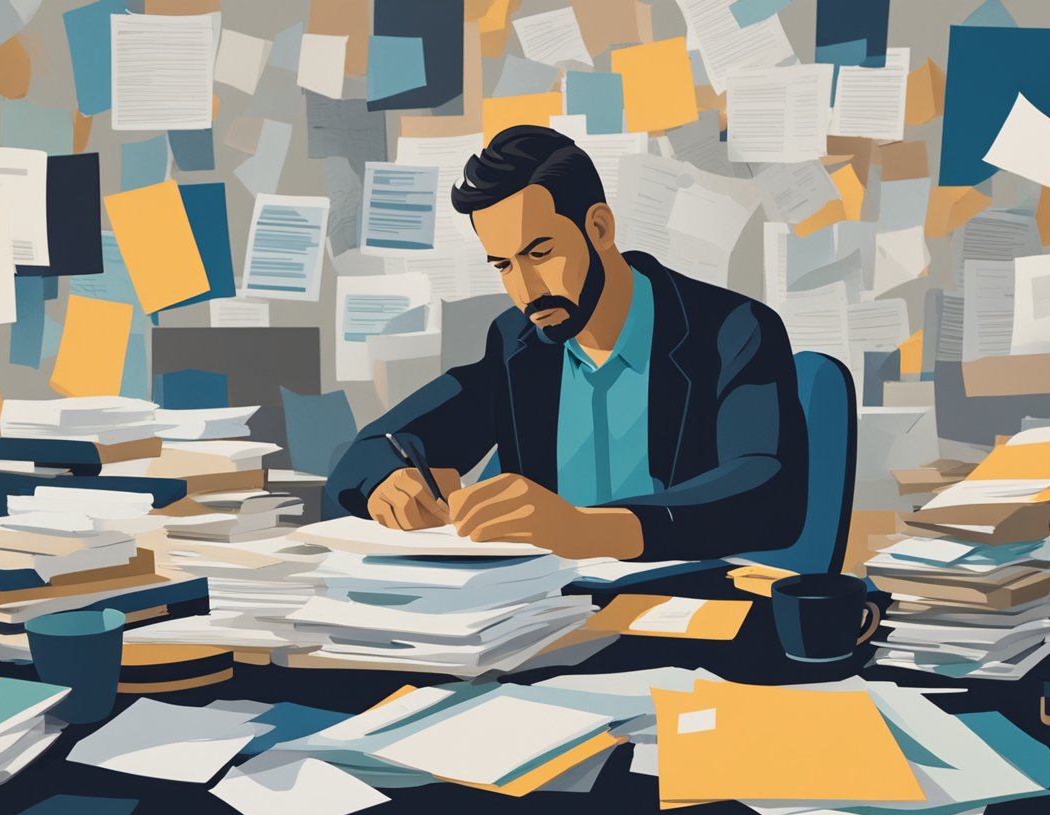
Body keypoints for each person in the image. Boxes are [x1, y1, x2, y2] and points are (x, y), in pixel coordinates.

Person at [327, 125, 808, 561]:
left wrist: (588, 530)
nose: (526, 290)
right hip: (546, 609)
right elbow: (373, 447)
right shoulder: (518, 343)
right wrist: (385, 481)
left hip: (690, 606)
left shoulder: (732, 329)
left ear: (599, 227)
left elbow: (767, 494)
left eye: (540, 253)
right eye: (503, 266)